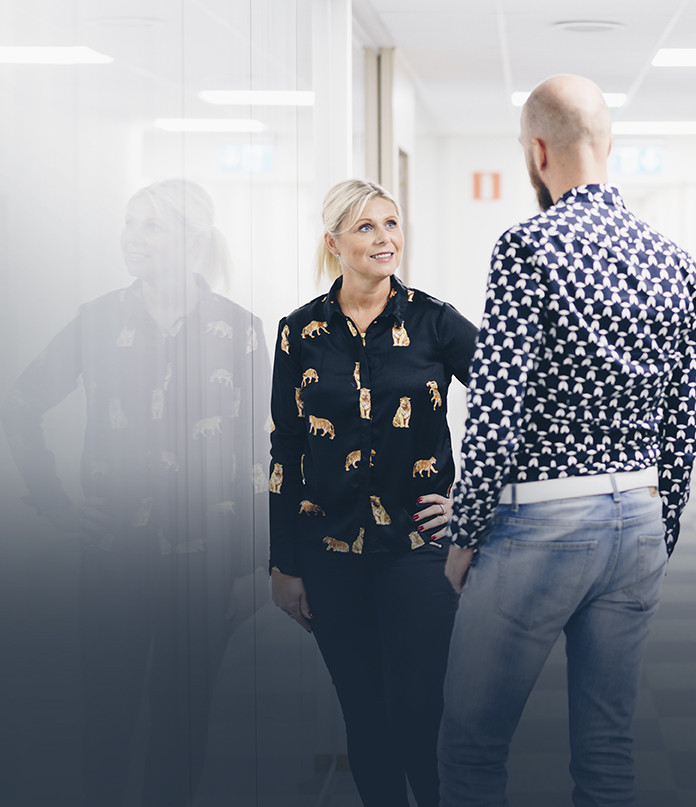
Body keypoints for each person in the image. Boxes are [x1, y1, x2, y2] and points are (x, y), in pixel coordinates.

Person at [438, 74, 696, 806]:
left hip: (542, 525)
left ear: (537, 151)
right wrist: (661, 529)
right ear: (609, 145)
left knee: (470, 749)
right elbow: (682, 421)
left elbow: (496, 406)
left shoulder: (528, 248)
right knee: (607, 757)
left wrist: (464, 536)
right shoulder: (676, 263)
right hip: (640, 519)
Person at [0, 178, 268, 807]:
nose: (133, 239)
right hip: (115, 554)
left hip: (207, 563)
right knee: (107, 716)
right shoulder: (97, 321)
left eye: (152, 226)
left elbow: (258, 453)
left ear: (192, 240)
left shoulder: (239, 329)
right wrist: (55, 501)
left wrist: (256, 562)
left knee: (183, 723)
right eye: (130, 224)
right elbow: (22, 401)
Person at [268, 178, 477, 807]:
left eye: (391, 224)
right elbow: (286, 450)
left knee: (419, 711)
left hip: (418, 548)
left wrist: (474, 500)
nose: (385, 239)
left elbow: (512, 407)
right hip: (329, 551)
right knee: (364, 714)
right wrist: (282, 563)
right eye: (366, 227)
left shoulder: (435, 322)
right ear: (334, 243)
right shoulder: (298, 332)